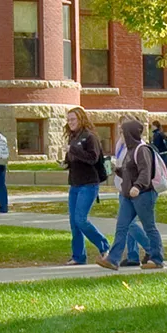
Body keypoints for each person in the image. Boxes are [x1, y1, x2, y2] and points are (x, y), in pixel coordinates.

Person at [98, 117, 166, 270]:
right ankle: (113, 259)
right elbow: (129, 172)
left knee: (149, 227)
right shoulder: (130, 150)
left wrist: (137, 187)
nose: (121, 134)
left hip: (143, 195)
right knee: (121, 226)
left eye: (123, 132)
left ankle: (157, 259)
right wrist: (115, 169)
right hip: (128, 195)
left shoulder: (142, 150)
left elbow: (145, 172)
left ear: (130, 133)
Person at [59, 108, 111, 266]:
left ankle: (104, 246)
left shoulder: (90, 137)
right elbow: (74, 158)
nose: (70, 122)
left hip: (88, 184)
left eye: (73, 119)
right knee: (74, 222)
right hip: (74, 183)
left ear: (81, 119)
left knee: (81, 220)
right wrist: (66, 163)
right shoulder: (73, 138)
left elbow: (93, 158)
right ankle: (78, 256)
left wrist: (73, 149)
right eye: (68, 120)